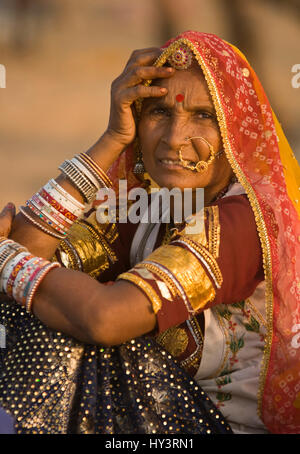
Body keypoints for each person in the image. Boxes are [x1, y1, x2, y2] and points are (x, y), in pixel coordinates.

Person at [0, 31, 299, 434]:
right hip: (157, 417)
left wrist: (4, 258)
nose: (175, 139)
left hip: (217, 429)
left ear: (237, 131)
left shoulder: (246, 220)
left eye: (204, 116)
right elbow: (26, 259)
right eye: (158, 112)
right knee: (23, 311)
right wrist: (112, 139)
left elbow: (105, 318)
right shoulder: (151, 203)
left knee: (65, 336)